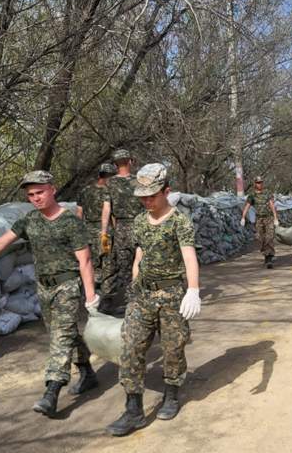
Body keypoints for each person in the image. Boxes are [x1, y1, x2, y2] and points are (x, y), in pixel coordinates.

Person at [0, 171, 100, 415]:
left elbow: (84, 260)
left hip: (67, 285)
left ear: (52, 189)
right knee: (64, 333)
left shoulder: (70, 222)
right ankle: (87, 372)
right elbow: (0, 243)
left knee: (60, 337)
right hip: (43, 287)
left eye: (40, 192)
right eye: (31, 195)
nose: (36, 198)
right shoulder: (30, 220)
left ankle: (51, 392)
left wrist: (91, 296)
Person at [107, 164, 201, 436]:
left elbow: (189, 256)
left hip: (172, 295)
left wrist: (193, 290)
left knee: (173, 347)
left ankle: (171, 394)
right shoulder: (139, 221)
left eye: (152, 195)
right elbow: (140, 252)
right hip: (143, 294)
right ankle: (133, 409)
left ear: (166, 191)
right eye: (143, 196)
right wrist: (135, 281)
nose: (146, 201)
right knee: (131, 346)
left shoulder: (179, 221)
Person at [100, 149, 144, 315]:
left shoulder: (109, 184)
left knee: (125, 267)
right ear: (130, 162)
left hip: (121, 230)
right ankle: (144, 298)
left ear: (115, 164)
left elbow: (106, 209)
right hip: (141, 226)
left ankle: (130, 302)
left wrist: (104, 233)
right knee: (143, 263)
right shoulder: (139, 181)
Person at [77, 162, 115, 289]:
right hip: (105, 232)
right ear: (108, 176)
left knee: (91, 261)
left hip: (88, 232)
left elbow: (79, 213)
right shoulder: (108, 192)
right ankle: (106, 291)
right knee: (107, 261)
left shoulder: (84, 191)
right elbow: (111, 214)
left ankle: (92, 288)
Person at [240, 175, 280, 268]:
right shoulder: (252, 195)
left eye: (261, 182)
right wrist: (242, 217)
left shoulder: (267, 193)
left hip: (268, 218)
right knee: (260, 238)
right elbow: (247, 206)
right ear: (255, 184)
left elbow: (271, 205)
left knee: (269, 237)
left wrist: (275, 218)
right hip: (259, 219)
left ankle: (269, 256)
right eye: (258, 183)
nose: (260, 184)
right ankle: (266, 254)